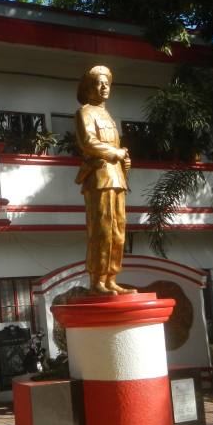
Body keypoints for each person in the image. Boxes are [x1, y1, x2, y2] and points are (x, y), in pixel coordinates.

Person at [74, 65, 137, 295]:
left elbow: (114, 146)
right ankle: (97, 281)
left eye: (107, 83)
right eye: (98, 83)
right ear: (89, 89)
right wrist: (115, 153)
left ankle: (111, 278)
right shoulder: (85, 112)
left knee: (118, 230)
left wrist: (124, 159)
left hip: (116, 178)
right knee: (101, 229)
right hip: (99, 178)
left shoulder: (107, 115)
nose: (104, 87)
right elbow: (88, 142)